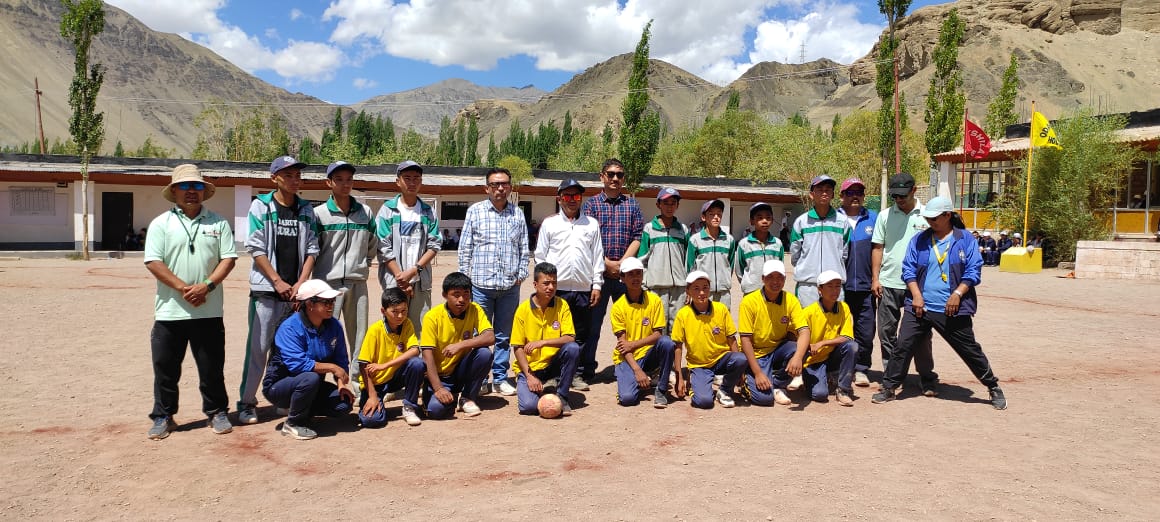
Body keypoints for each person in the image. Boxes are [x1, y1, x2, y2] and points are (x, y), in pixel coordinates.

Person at [873, 197, 1007, 410]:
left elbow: (974, 270)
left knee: (969, 350)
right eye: (928, 218)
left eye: (934, 218)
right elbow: (908, 270)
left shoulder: (965, 240)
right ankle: (889, 387)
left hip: (952, 308)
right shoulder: (919, 240)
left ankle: (993, 386)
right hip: (920, 307)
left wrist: (958, 293)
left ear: (947, 216)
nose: (930, 222)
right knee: (902, 346)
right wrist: (916, 295)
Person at [143, 164, 238, 440]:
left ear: (204, 191)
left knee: (212, 368)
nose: (191, 191)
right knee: (166, 369)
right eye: (185, 186)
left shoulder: (218, 223)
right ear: (174, 191)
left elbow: (229, 259)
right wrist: (185, 288)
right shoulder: (161, 223)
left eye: (196, 186)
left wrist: (206, 286)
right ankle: (163, 416)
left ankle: (217, 412)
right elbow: (153, 261)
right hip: (170, 312)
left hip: (208, 310)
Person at [239, 156, 320, 425]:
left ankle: (282, 401)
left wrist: (301, 284)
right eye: (289, 175)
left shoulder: (306, 209)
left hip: (295, 295)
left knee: (288, 351)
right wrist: (276, 281)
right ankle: (247, 402)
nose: (295, 179)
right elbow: (255, 247)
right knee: (259, 349)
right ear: (274, 178)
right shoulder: (261, 207)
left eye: (298, 174)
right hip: (266, 291)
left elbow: (312, 249)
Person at [458, 167, 528, 397]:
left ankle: (499, 378)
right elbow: (465, 247)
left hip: (509, 286)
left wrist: (520, 275)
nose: (500, 188)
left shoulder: (517, 214)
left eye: (505, 184)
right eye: (495, 184)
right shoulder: (474, 212)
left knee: (504, 335)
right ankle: (480, 379)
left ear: (510, 187)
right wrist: (464, 280)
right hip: (480, 286)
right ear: (487, 187)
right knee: (480, 335)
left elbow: (524, 247)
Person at [313, 161, 378, 398]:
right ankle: (319, 386)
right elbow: (313, 249)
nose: (344, 184)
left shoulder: (365, 212)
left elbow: (372, 245)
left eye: (348, 179)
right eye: (338, 179)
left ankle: (358, 385)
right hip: (326, 285)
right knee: (324, 335)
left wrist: (362, 266)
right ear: (329, 183)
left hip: (357, 283)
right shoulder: (319, 214)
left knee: (358, 335)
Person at [262, 280, 356, 440]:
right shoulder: (290, 327)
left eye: (332, 301)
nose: (331, 305)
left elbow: (341, 360)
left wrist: (341, 385)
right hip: (279, 387)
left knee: (342, 405)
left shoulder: (334, 325)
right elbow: (298, 364)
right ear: (310, 304)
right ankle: (293, 424)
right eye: (326, 302)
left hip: (312, 386)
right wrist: (332, 368)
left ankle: (304, 412)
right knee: (309, 377)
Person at [871, 172, 937, 395]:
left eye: (903, 195)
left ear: (914, 191)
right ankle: (892, 376)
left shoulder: (928, 215)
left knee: (920, 335)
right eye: (895, 196)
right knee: (886, 332)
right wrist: (875, 278)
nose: (899, 200)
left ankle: (926, 377)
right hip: (888, 283)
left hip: (918, 287)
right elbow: (878, 247)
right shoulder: (885, 216)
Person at [534, 178, 603, 390]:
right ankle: (554, 374)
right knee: (556, 334)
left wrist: (597, 284)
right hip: (557, 290)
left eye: (576, 196)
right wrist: (545, 286)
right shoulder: (550, 223)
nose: (572, 200)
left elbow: (597, 255)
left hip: (583, 289)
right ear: (559, 198)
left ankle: (576, 375)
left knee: (581, 334)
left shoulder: (591, 224)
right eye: (567, 196)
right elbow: (540, 256)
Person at [581, 159, 645, 389]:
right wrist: (606, 264)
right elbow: (586, 240)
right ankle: (586, 370)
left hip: (624, 277)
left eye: (619, 174)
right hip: (598, 276)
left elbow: (638, 236)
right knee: (592, 326)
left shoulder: (632, 205)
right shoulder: (591, 206)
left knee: (631, 323)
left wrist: (623, 264)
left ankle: (631, 365)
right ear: (602, 176)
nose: (615, 178)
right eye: (611, 174)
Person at [420, 272, 496, 419]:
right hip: (439, 375)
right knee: (436, 411)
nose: (462, 300)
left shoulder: (475, 309)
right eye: (456, 294)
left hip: (460, 371)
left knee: (484, 353)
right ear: (444, 295)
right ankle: (439, 394)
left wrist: (460, 345)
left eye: (466, 294)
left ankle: (467, 397)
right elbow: (426, 355)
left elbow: (490, 336)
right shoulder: (432, 317)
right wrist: (438, 388)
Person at [377, 160, 442, 333]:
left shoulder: (428, 211)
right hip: (394, 280)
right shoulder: (387, 210)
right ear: (398, 181)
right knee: (393, 325)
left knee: (419, 326)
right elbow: (383, 246)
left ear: (421, 181)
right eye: (407, 178)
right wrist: (400, 277)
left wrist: (414, 271)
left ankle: (417, 361)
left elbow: (434, 244)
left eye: (416, 178)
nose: (412, 182)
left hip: (420, 281)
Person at [511, 262, 581, 416]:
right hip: (531, 368)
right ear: (535, 284)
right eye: (546, 283)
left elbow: (570, 338)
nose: (551, 287)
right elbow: (517, 347)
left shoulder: (562, 305)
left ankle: (562, 395)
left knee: (573, 349)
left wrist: (543, 342)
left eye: (554, 283)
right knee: (528, 407)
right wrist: (529, 376)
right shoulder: (522, 310)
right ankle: (541, 386)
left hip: (552, 364)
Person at [737, 260, 809, 407]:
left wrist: (798, 357)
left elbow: (804, 331)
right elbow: (745, 340)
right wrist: (757, 373)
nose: (775, 282)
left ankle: (777, 383)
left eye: (779, 277)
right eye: (770, 277)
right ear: (763, 279)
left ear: (784, 279)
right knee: (764, 400)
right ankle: (747, 379)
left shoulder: (791, 300)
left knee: (801, 348)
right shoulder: (749, 302)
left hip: (776, 350)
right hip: (756, 354)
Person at [671, 271, 745, 409]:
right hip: (699, 365)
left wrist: (740, 372)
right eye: (696, 288)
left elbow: (732, 339)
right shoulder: (683, 314)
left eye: (705, 287)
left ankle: (724, 390)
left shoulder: (721, 309)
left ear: (710, 289)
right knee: (704, 402)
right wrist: (679, 377)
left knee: (741, 359)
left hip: (721, 358)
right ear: (688, 291)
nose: (701, 293)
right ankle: (697, 383)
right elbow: (678, 347)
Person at [610, 257, 676, 408]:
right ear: (622, 278)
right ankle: (635, 378)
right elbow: (623, 346)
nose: (635, 278)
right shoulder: (618, 307)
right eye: (631, 274)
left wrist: (633, 344)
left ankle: (661, 389)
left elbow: (658, 335)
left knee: (667, 343)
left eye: (638, 273)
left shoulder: (654, 300)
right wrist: (637, 370)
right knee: (627, 399)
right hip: (628, 358)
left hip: (648, 353)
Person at [784, 270, 857, 406]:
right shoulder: (809, 312)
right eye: (829, 286)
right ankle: (809, 378)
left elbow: (847, 337)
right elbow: (791, 334)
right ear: (820, 290)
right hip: (812, 360)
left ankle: (843, 390)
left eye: (837, 286)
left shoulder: (843, 308)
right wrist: (804, 350)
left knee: (852, 346)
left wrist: (822, 343)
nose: (834, 290)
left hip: (830, 356)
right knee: (820, 395)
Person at [356, 287, 425, 428]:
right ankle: (374, 400)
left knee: (417, 364)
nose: (400, 316)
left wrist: (385, 365)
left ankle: (409, 407)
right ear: (383, 311)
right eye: (395, 312)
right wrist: (372, 395)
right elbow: (363, 365)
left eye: (403, 311)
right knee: (372, 420)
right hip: (376, 382)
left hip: (394, 376)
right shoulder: (375, 330)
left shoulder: (407, 324)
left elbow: (415, 350)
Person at [838, 178, 877, 388]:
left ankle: (861, 369)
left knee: (866, 331)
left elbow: (880, 250)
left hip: (866, 287)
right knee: (838, 331)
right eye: (850, 192)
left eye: (859, 192)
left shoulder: (874, 218)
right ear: (841, 196)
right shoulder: (835, 218)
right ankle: (839, 368)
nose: (855, 196)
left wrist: (876, 279)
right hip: (838, 288)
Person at [790, 175, 850, 308]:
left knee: (832, 326)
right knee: (806, 325)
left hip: (834, 285)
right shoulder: (802, 222)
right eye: (820, 189)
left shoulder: (842, 222)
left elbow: (844, 253)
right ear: (812, 194)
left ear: (833, 195)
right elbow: (795, 255)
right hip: (807, 286)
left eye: (828, 190)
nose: (824, 193)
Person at [636, 187, 687, 333]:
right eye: (665, 203)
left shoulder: (683, 230)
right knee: (658, 328)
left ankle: (673, 357)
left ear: (677, 205)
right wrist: (644, 283)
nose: (669, 206)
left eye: (673, 203)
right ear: (658, 205)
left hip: (679, 288)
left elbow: (688, 259)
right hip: (656, 287)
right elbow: (642, 258)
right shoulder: (649, 228)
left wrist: (688, 284)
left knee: (677, 328)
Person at [687, 199, 737, 309]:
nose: (716, 217)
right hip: (703, 292)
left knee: (723, 322)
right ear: (703, 217)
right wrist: (690, 289)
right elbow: (690, 267)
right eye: (711, 214)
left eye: (719, 214)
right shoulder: (695, 240)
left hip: (724, 292)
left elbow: (731, 264)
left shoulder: (729, 240)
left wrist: (725, 280)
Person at [734, 202, 784, 296]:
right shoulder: (744, 244)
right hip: (751, 292)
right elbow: (739, 269)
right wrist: (748, 283)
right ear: (752, 221)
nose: (764, 221)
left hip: (773, 292)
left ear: (772, 221)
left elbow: (780, 265)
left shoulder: (777, 244)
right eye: (760, 218)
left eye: (768, 218)